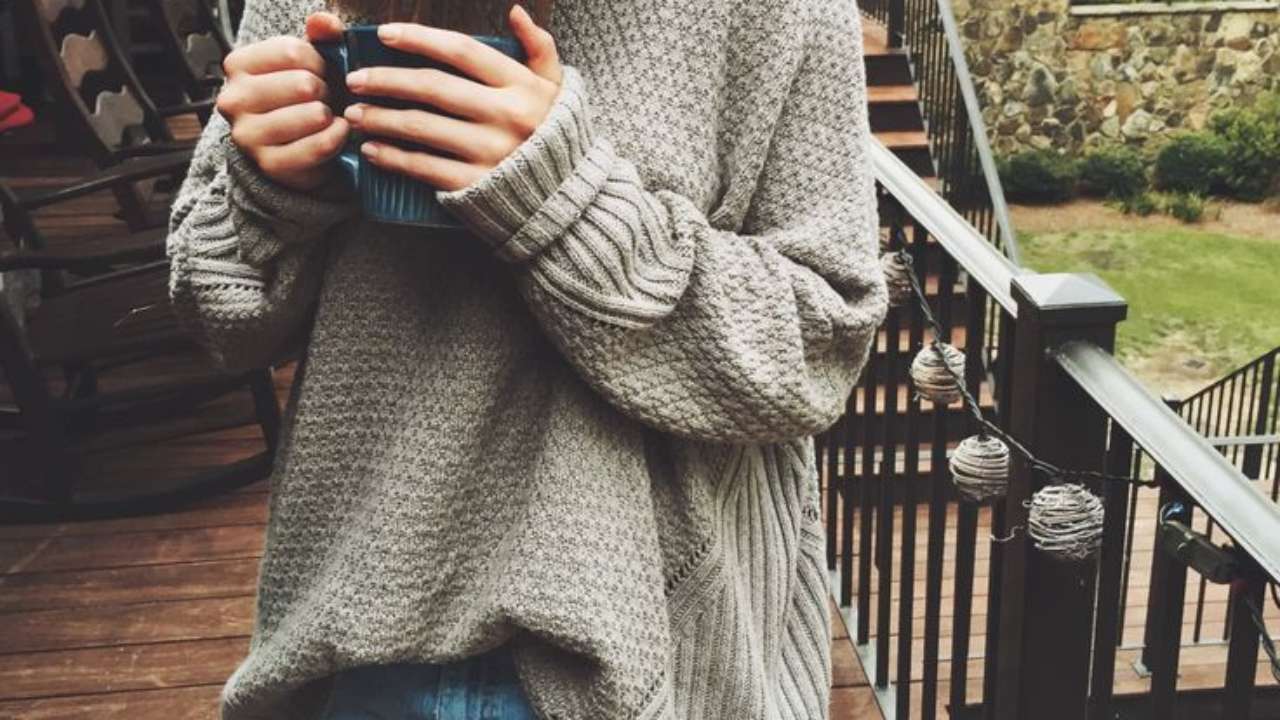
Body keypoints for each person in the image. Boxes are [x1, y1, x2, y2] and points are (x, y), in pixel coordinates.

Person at [166, 0, 888, 717]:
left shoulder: (778, 14)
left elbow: (817, 351)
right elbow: (214, 311)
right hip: (349, 641)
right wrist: (268, 190)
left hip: (647, 642)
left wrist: (565, 200)